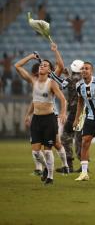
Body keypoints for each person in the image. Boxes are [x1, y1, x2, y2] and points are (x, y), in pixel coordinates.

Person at [15, 53, 67, 185]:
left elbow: (62, 99)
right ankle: (46, 168)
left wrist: (63, 113)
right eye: (41, 65)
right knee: (36, 153)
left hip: (49, 119)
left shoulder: (52, 83)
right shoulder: (33, 80)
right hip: (36, 119)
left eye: (45, 66)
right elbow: (17, 65)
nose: (42, 66)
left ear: (49, 70)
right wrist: (31, 56)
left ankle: (50, 176)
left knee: (48, 150)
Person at [52, 60, 85, 173]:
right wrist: (67, 75)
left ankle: (69, 165)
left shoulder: (71, 79)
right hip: (83, 112)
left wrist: (51, 73)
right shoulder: (83, 79)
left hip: (74, 111)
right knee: (80, 139)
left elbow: (60, 83)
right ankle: (83, 165)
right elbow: (72, 84)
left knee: (65, 138)